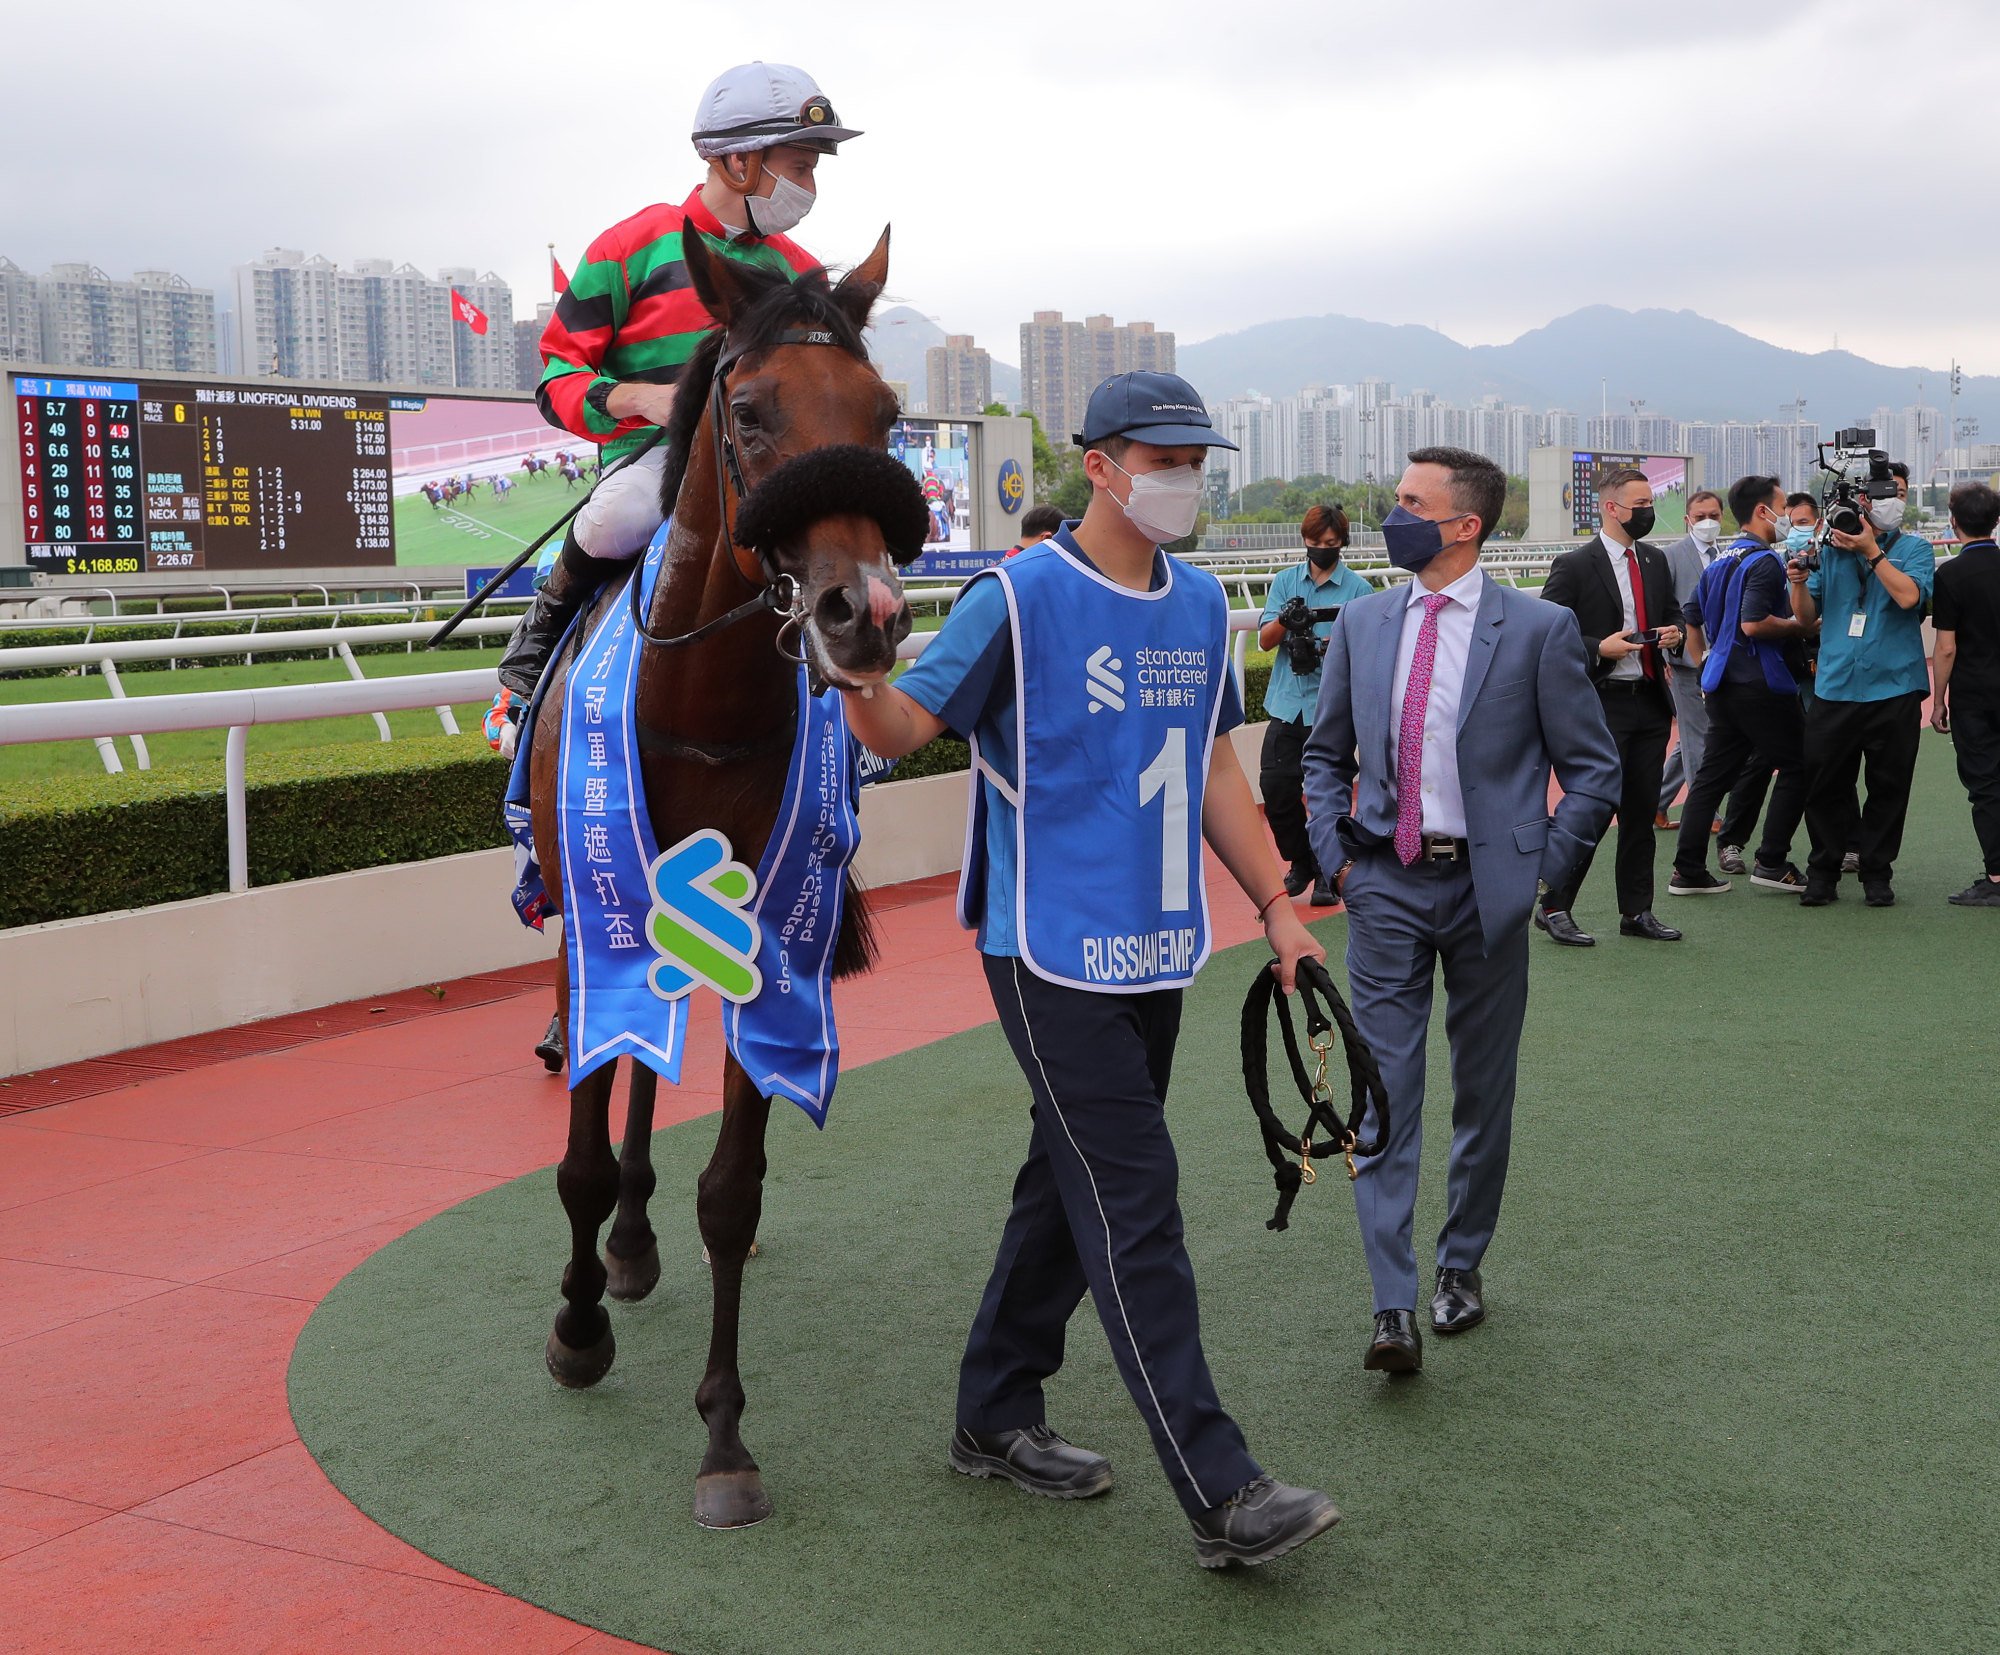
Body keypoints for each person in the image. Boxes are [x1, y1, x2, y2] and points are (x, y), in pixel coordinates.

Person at [836, 371, 1341, 1570]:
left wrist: (1276, 903)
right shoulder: (1017, 596)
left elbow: (1214, 763)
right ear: (1101, 465)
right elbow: (905, 726)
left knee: (1062, 1179)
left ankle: (992, 1409)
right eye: (1164, 459)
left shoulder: (1199, 602)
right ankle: (1221, 1489)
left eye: (1196, 460)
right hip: (1045, 945)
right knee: (1132, 1193)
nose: (1186, 481)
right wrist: (853, 663)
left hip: (1157, 939)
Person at [1302, 446, 1618, 1371]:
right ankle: (1391, 1304)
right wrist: (1336, 860)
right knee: (1384, 1092)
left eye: (1409, 501)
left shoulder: (1538, 628)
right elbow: (1324, 755)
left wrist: (1544, 874)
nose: (1390, 512)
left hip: (1491, 892)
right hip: (1384, 885)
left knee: (1483, 1093)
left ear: (1465, 524)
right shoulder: (1363, 620)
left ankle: (1461, 1267)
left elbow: (1593, 770)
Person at [494, 62, 860, 709]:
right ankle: (539, 637)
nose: (809, 187)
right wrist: (640, 399)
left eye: (812, 171)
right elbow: (556, 378)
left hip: (763, 463)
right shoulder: (630, 246)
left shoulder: (804, 272)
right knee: (617, 515)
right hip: (656, 461)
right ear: (740, 163)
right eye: (801, 167)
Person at [1535, 466, 1685, 945]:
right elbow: (1546, 633)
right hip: (1600, 704)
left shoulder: (1655, 562)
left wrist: (1674, 632)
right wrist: (1599, 647)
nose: (1648, 512)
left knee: (1641, 812)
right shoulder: (1576, 565)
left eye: (1649, 503)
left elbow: (1670, 613)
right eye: (1640, 504)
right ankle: (1554, 903)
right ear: (1611, 507)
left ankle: (1637, 911)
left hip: (1650, 702)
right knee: (1593, 811)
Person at [1792, 461, 1935, 906]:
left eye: (1900, 493)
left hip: (1895, 686)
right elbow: (1805, 618)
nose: (1894, 501)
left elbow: (1910, 597)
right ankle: (1824, 870)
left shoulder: (1914, 549)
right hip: (1835, 685)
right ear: (1863, 501)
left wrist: (1872, 550)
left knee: (1889, 786)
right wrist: (1796, 581)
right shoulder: (1829, 549)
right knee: (1823, 783)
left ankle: (1877, 871)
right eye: (1885, 493)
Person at [1667, 476, 1812, 896]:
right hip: (1759, 683)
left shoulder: (1720, 559)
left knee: (1712, 778)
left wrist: (1706, 663)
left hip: (1721, 684)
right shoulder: (1764, 561)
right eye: (1783, 508)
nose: (1787, 517)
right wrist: (1799, 625)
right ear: (1763, 511)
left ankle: (1687, 869)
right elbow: (1753, 623)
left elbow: (1690, 616)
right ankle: (1772, 860)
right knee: (1801, 763)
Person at [1256, 503, 1375, 906]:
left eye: (1329, 542)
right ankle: (1301, 860)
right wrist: (1288, 622)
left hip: (1334, 707)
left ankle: (1329, 869)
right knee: (1275, 789)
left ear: (1342, 542)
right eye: (1314, 542)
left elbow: (1370, 651)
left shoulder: (1358, 590)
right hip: (1288, 704)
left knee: (1330, 794)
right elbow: (1265, 640)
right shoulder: (1286, 581)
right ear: (1303, 541)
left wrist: (1329, 647)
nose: (1321, 548)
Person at [1931, 480, 2000, 906]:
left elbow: (1946, 645)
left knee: (1986, 785)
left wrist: (1938, 700)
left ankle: (1995, 877)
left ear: (1953, 522)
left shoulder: (1951, 573)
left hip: (1974, 694)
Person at [1656, 490, 1725, 824]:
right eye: (1699, 517)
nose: (1707, 522)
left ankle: (1657, 801)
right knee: (1699, 738)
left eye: (1712, 515)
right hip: (1684, 665)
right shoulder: (1670, 557)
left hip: (1720, 662)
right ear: (1687, 520)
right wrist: (1666, 657)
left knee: (1693, 736)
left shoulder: (1725, 556)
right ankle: (1705, 811)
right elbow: (1661, 610)